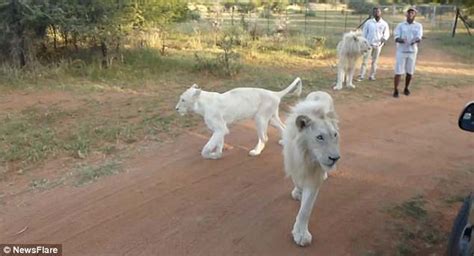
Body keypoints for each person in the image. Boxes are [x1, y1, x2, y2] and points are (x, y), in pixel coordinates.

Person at [393, 7, 423, 98]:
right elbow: (396, 37)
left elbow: (419, 37)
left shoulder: (418, 26)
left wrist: (415, 40)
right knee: (398, 71)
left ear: (415, 15)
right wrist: (401, 40)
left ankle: (406, 88)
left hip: (412, 51)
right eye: (409, 13)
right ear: (406, 14)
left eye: (412, 13)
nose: (410, 14)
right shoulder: (400, 25)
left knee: (410, 72)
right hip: (401, 51)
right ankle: (396, 89)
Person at [357, 7, 390, 81]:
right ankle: (361, 76)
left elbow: (386, 34)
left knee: (375, 61)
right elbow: (364, 33)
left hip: (378, 45)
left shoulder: (384, 24)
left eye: (378, 11)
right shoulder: (369, 22)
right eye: (375, 12)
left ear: (380, 12)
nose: (376, 13)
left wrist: (384, 39)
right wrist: (364, 42)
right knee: (365, 61)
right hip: (369, 44)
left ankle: (372, 76)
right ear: (373, 13)